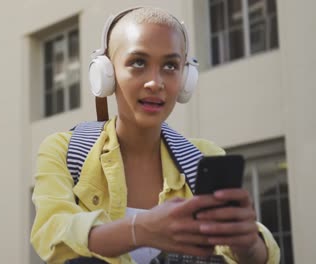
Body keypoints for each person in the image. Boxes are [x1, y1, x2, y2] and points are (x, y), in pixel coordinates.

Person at [31, 7, 280, 264]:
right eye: (138, 62)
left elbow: (247, 256)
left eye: (170, 65)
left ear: (185, 79)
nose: (155, 82)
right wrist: (141, 230)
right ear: (106, 74)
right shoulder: (66, 150)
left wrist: (249, 243)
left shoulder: (203, 158)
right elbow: (53, 235)